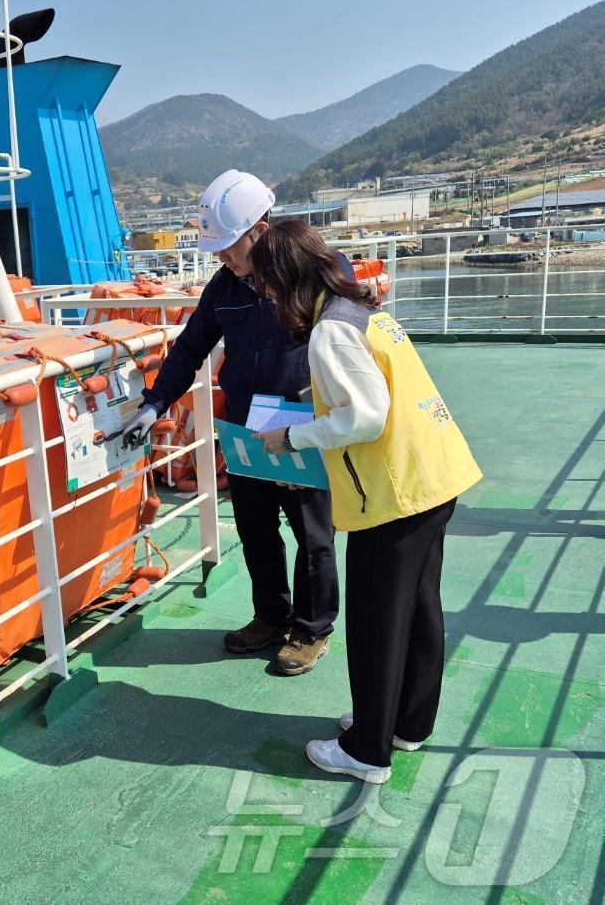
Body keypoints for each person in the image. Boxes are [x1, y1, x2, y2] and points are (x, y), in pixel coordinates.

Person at [251, 220, 482, 784]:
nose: (268, 297)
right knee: (420, 611)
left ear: (285, 277)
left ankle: (366, 749)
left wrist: (293, 437)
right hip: (432, 475)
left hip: (393, 494)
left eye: (268, 286)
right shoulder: (364, 310)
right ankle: (407, 723)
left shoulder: (332, 331)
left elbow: (365, 416)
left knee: (379, 621)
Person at [122, 169, 344, 676]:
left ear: (259, 231)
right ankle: (271, 616)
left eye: (228, 246)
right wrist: (155, 403)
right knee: (256, 528)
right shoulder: (224, 287)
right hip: (247, 431)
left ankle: (311, 631)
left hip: (303, 429)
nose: (221, 256)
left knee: (313, 535)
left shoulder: (320, 275)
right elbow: (189, 348)